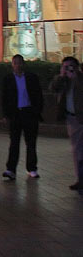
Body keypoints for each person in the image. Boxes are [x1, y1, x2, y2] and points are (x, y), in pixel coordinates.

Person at [1, 54, 43, 180]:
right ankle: (11, 169)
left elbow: (38, 95)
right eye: (15, 63)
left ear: (23, 64)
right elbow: (4, 97)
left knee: (31, 143)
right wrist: (5, 114)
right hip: (15, 114)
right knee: (14, 142)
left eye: (20, 63)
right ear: (12, 65)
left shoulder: (31, 78)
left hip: (29, 113)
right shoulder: (8, 79)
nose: (18, 65)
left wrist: (37, 111)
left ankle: (32, 168)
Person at [50, 56, 83, 191]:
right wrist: (61, 75)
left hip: (81, 118)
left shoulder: (79, 78)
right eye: (65, 66)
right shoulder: (63, 80)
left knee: (79, 150)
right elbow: (53, 87)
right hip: (71, 119)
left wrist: (75, 77)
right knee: (76, 150)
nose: (68, 69)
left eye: (71, 66)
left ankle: (81, 180)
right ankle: (79, 179)